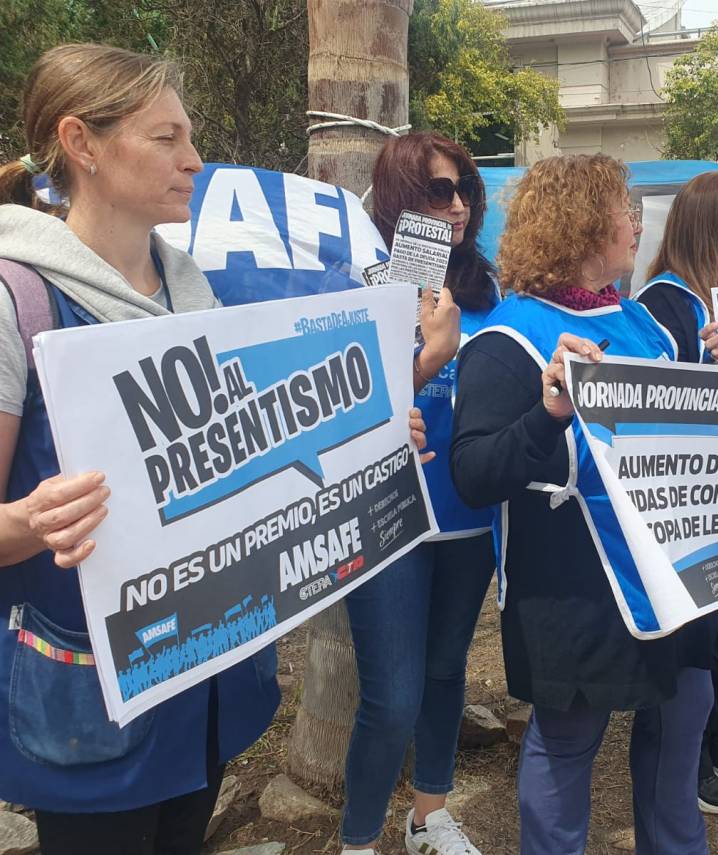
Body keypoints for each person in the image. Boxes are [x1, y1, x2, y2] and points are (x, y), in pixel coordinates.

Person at [0, 44, 281, 855]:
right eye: (166, 139)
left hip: (209, 689)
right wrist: (27, 520)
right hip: (93, 715)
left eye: (189, 137)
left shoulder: (199, 294)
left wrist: (357, 441)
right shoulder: (20, 299)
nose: (194, 159)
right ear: (82, 143)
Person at [450, 154, 718, 854]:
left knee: (685, 711)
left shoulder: (646, 325)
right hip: (571, 586)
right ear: (578, 223)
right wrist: (548, 413)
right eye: (622, 208)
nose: (637, 222)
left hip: (668, 571)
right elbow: (474, 474)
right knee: (569, 738)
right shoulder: (507, 338)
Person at [338, 133, 498, 855]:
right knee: (392, 695)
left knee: (444, 673)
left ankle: (429, 815)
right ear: (402, 195)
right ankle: (359, 838)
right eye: (439, 189)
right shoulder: (358, 286)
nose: (458, 203)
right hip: (390, 521)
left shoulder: (491, 288)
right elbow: (336, 415)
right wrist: (428, 357)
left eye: (463, 186)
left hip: (468, 517)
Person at [634, 171, 718, 814]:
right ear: (701, 224)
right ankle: (684, 758)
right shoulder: (667, 304)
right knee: (694, 639)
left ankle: (717, 737)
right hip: (696, 510)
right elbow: (660, 415)